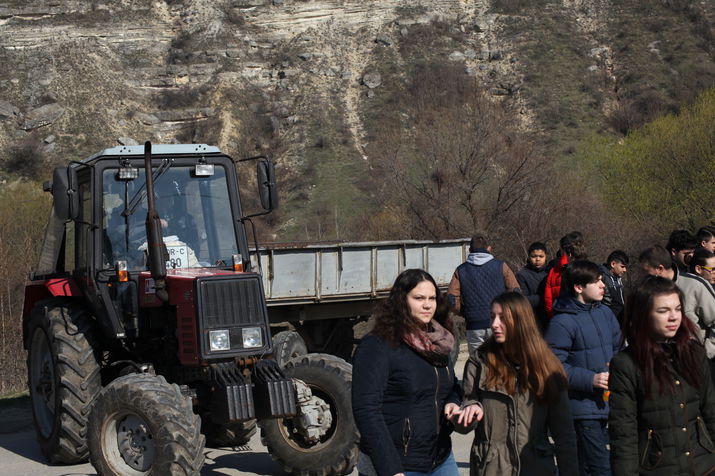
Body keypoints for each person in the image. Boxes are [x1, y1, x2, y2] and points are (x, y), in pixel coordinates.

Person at [452, 292, 578, 476]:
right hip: (492, 469)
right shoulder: (479, 362)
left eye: (503, 318)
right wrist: (467, 413)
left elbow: (564, 434)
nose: (494, 324)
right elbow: (463, 422)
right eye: (492, 317)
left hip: (535, 467)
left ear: (521, 321)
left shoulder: (547, 366)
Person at [353, 269, 462, 476]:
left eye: (432, 298)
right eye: (419, 298)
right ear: (401, 300)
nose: (427, 305)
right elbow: (366, 410)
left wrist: (453, 402)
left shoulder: (439, 342)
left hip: (440, 458)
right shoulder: (378, 344)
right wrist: (390, 470)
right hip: (398, 465)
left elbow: (452, 385)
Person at [609, 276, 715, 475]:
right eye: (663, 311)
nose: (674, 317)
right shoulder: (626, 364)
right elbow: (623, 434)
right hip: (656, 467)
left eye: (677, 309)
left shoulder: (694, 353)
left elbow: (710, 410)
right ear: (643, 315)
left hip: (704, 465)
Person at [545, 260, 621, 476]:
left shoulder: (605, 313)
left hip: (610, 402)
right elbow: (553, 367)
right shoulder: (561, 323)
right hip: (581, 407)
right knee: (600, 468)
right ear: (579, 287)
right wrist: (590, 379)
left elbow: (618, 348)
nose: (602, 284)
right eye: (596, 281)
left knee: (588, 466)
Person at [448, 234, 520, 356]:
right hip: (501, 322)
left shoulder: (461, 270)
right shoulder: (501, 266)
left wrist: (464, 312)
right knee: (503, 359)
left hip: (474, 324)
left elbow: (451, 300)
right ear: (489, 248)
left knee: (477, 364)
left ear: (470, 250)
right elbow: (516, 293)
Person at [639, 245, 715, 359]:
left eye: (645, 272)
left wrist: (706, 352)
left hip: (694, 360)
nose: (642, 277)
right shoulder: (646, 292)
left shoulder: (695, 286)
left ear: (660, 269)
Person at [544, 231, 587, 318]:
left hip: (559, 316)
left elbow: (548, 299)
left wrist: (552, 316)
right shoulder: (590, 270)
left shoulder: (554, 270)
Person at [516, 242, 549, 331]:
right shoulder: (522, 275)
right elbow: (523, 299)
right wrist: (545, 298)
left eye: (541, 256)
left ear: (546, 256)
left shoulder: (551, 272)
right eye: (534, 256)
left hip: (550, 317)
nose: (537, 259)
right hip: (532, 319)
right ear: (529, 257)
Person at [599, 250, 629, 324]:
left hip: (621, 321)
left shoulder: (618, 278)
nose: (625, 270)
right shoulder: (601, 278)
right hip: (608, 322)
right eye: (622, 267)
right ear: (613, 264)